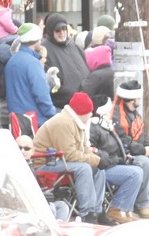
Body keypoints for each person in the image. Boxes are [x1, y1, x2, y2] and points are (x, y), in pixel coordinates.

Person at [32, 91, 113, 226]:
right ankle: (87, 213)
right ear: (82, 112)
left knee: (97, 168)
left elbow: (83, 149)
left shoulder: (75, 122)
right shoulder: (63, 123)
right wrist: (96, 160)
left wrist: (97, 160)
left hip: (58, 161)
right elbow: (70, 155)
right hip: (45, 163)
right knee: (84, 168)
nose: (91, 114)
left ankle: (97, 211)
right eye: (89, 111)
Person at [112, 80, 149, 218]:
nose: (140, 100)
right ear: (132, 99)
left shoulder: (135, 114)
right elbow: (122, 139)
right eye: (138, 98)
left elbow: (141, 137)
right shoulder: (116, 115)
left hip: (135, 150)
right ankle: (141, 204)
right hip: (121, 154)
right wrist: (143, 151)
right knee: (144, 162)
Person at [88, 99, 144, 224]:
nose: (111, 113)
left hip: (112, 163)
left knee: (139, 169)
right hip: (102, 168)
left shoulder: (106, 125)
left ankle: (126, 209)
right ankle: (116, 209)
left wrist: (122, 157)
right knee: (134, 173)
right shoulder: (94, 127)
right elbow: (93, 151)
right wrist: (114, 159)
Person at [4, 23, 56, 127]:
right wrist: (52, 114)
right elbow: (41, 93)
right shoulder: (33, 63)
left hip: (17, 120)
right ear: (37, 40)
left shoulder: (11, 61)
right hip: (35, 121)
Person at [42, 13, 89, 110]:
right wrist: (68, 93)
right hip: (64, 105)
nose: (62, 33)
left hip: (84, 100)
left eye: (64, 29)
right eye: (57, 30)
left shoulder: (73, 45)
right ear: (51, 31)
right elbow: (48, 81)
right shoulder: (45, 50)